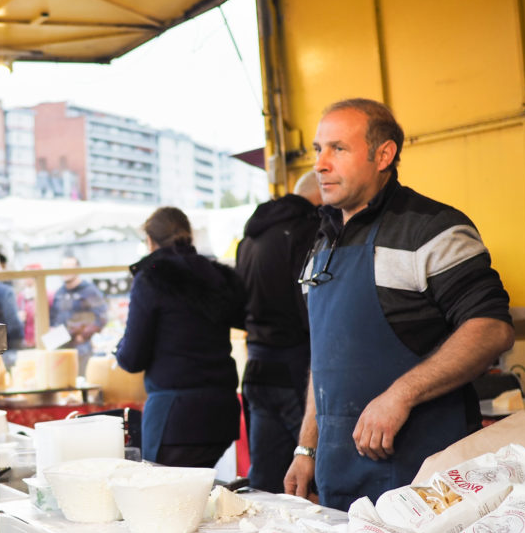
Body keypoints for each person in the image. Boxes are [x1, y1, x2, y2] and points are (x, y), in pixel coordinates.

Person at [284, 98, 514, 512]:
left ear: (383, 154)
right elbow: (326, 357)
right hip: (338, 476)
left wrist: (400, 395)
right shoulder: (323, 245)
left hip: (423, 478)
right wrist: (307, 448)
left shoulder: (431, 229)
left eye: (338, 148)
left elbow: (491, 327)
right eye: (318, 149)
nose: (320, 164)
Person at [116, 208, 246, 468]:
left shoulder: (151, 277)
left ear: (150, 242)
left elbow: (132, 358)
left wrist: (118, 349)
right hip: (222, 412)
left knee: (167, 501)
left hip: (175, 417)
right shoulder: (216, 274)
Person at [235, 170, 321, 493]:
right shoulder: (307, 230)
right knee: (313, 474)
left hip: (256, 367)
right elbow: (311, 310)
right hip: (297, 370)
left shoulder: (250, 237)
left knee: (266, 481)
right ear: (319, 198)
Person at [49, 255, 108, 373]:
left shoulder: (89, 291)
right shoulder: (59, 293)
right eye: (63, 268)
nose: (66, 271)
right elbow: (53, 318)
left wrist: (84, 335)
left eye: (69, 267)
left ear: (78, 269)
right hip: (60, 347)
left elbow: (102, 317)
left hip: (81, 349)